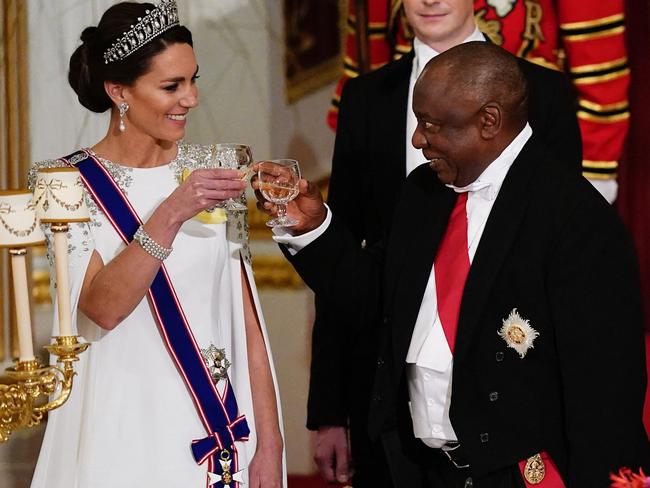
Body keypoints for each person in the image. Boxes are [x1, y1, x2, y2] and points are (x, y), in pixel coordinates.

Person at [265, 42, 650, 487]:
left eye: (431, 125)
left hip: (521, 476)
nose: (417, 140)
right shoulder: (421, 193)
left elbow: (605, 393)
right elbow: (371, 298)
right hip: (413, 470)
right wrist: (314, 229)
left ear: (489, 121)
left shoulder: (575, 220)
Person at [308, 0, 582, 485]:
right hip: (387, 389)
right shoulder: (366, 96)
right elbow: (349, 260)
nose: (430, 0)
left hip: (507, 392)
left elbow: (562, 252)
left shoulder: (542, 91)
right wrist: (330, 409)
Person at [29, 2, 284, 487]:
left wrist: (269, 447)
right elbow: (102, 309)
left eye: (193, 79)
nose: (191, 98)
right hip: (124, 431)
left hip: (222, 427)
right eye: (171, 86)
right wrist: (171, 211)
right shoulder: (63, 183)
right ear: (119, 91)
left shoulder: (217, 166)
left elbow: (248, 322)